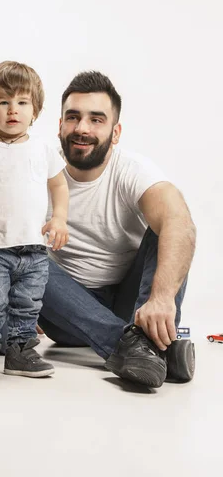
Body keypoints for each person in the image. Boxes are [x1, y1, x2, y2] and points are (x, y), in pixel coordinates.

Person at [38, 71, 196, 388]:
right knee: (26, 258)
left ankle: (143, 346)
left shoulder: (132, 170)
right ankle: (151, 349)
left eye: (96, 119)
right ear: (59, 126)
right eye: (73, 117)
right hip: (66, 310)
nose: (82, 128)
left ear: (115, 131)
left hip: (131, 305)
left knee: (170, 226)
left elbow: (181, 223)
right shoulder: (36, 168)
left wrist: (162, 299)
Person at [0, 61, 69, 377]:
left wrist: (59, 218)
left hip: (34, 250)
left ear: (35, 111)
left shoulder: (42, 150)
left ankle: (21, 353)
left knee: (27, 305)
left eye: (22, 102)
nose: (12, 110)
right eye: (3, 102)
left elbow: (59, 185)